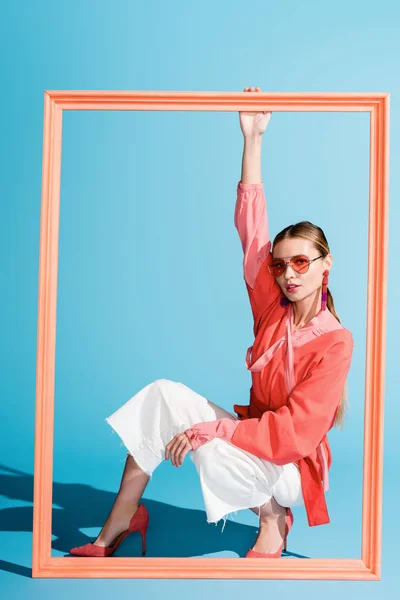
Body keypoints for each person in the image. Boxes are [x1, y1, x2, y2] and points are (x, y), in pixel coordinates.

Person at [69, 86, 354, 559]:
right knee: (164, 394)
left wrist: (216, 430)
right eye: (281, 266)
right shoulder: (272, 311)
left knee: (208, 444)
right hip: (253, 443)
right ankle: (122, 518)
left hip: (288, 466)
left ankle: (273, 518)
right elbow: (252, 231)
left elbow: (293, 434)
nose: (288, 274)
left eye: (302, 263)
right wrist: (253, 140)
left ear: (326, 265)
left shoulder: (335, 343)